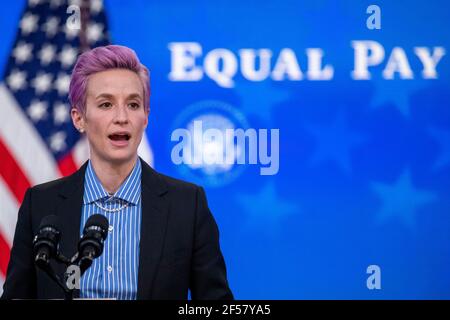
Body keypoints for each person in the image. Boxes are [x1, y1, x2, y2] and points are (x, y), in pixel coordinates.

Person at [1, 45, 233, 300]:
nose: (121, 117)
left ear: (145, 117)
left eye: (133, 105)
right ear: (79, 118)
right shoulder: (41, 204)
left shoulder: (187, 205)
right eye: (106, 104)